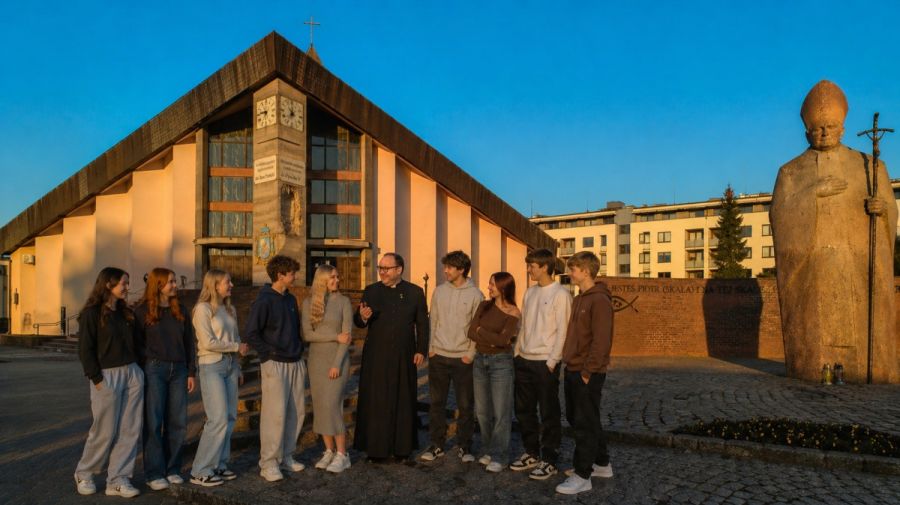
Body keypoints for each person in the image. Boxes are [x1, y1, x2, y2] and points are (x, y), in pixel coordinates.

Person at [771, 80, 898, 383]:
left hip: (856, 263)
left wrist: (881, 210)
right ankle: (811, 365)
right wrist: (812, 193)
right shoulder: (790, 172)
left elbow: (890, 210)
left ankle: (868, 368)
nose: (825, 133)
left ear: (842, 128)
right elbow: (779, 214)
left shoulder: (870, 166)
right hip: (815, 268)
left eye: (830, 127)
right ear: (807, 132)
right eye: (817, 128)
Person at [74, 267, 144, 498]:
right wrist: (96, 379)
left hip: (132, 373)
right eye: (123, 283)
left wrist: (139, 370)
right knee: (104, 430)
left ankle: (118, 479)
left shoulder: (125, 312)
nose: (127, 287)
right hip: (107, 376)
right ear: (108, 284)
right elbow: (85, 349)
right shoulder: (91, 313)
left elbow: (137, 343)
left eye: (127, 283)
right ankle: (84, 473)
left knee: (130, 429)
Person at [353, 252, 429, 460]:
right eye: (380, 268)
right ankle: (376, 450)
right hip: (376, 356)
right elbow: (358, 321)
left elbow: (422, 324)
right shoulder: (371, 291)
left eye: (386, 269)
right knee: (377, 401)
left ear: (399, 270)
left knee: (403, 400)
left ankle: (402, 449)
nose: (382, 272)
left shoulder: (415, 292)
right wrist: (362, 318)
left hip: (404, 355)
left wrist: (421, 349)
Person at [555, 252, 614, 495]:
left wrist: (588, 371)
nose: (570, 273)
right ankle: (602, 464)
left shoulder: (599, 300)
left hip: (587, 372)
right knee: (580, 418)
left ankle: (582, 475)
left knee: (584, 423)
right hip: (573, 368)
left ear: (586, 271)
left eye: (574, 269)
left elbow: (601, 341)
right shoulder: (579, 298)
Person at [511, 248, 571, 480]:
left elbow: (563, 331)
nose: (529, 270)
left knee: (548, 413)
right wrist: (517, 352)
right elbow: (524, 326)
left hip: (545, 363)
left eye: (532, 266)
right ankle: (531, 453)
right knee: (523, 411)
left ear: (545, 267)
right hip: (524, 360)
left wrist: (552, 361)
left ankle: (550, 459)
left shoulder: (561, 294)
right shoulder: (529, 292)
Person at [245, 255, 306, 482]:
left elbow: (295, 329)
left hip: (295, 361)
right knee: (274, 415)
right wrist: (267, 356)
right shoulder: (264, 301)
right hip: (275, 363)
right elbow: (251, 333)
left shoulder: (290, 299)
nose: (295, 277)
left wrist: (299, 349)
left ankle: (287, 455)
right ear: (280, 275)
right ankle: (269, 463)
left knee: (296, 412)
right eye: (292, 273)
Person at [134, 268, 196, 491]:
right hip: (154, 370)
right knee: (154, 423)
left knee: (178, 423)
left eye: (174, 281)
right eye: (171, 282)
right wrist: (145, 365)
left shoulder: (181, 310)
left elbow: (189, 342)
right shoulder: (142, 311)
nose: (175, 285)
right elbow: (136, 343)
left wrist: (191, 372)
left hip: (179, 370)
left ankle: (173, 469)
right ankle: (154, 473)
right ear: (158, 285)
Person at [420, 251, 483, 462]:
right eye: (445, 266)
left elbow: (477, 327)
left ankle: (465, 446)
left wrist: (470, 354)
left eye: (449, 267)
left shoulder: (476, 295)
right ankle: (436, 445)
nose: (445, 271)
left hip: (463, 359)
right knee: (436, 404)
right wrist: (431, 349)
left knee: (465, 405)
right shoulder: (439, 292)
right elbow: (433, 321)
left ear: (461, 269)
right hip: (439, 355)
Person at [190, 269, 248, 487]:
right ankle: (200, 470)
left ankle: (220, 464)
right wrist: (236, 347)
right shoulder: (202, 309)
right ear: (214, 285)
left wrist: (238, 366)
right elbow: (207, 342)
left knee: (230, 417)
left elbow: (236, 337)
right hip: (212, 365)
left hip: (231, 365)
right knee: (217, 419)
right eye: (227, 282)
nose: (231, 285)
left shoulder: (230, 309)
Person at [301, 264, 353, 473]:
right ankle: (329, 450)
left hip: (336, 361)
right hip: (316, 362)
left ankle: (343, 454)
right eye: (332, 277)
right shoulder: (308, 303)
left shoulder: (344, 302)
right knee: (321, 406)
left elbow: (346, 337)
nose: (337, 280)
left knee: (332, 406)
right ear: (322, 280)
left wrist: (336, 364)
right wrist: (334, 336)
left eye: (337, 277)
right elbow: (308, 335)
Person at [468, 272, 520, 473]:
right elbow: (470, 331)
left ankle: (501, 456)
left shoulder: (513, 312)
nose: (488, 287)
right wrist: (488, 337)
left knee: (501, 412)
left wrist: (481, 332)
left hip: (501, 363)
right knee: (482, 411)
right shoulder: (484, 306)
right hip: (480, 360)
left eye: (492, 284)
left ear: (503, 287)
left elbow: (502, 341)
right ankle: (489, 449)